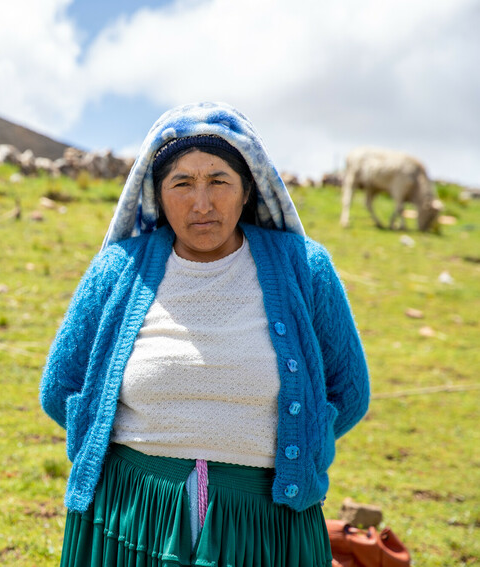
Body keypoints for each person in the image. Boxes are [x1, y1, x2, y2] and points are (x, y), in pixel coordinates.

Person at [39, 102, 370, 567]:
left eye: (218, 181)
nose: (202, 204)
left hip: (266, 525)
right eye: (182, 183)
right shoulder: (118, 270)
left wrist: (299, 446)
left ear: (247, 188)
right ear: (157, 192)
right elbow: (61, 388)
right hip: (133, 516)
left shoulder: (304, 268)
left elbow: (349, 392)